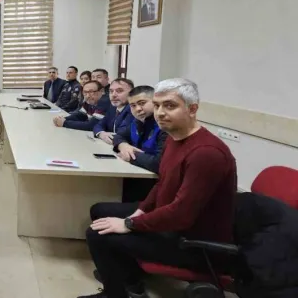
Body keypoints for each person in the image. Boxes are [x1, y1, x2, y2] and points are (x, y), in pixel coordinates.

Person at [79, 78, 238, 298]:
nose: (160, 113)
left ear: (192, 109)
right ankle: (129, 278)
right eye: (157, 105)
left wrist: (129, 223)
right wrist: (139, 212)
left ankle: (115, 293)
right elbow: (162, 183)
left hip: (191, 242)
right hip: (171, 222)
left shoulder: (206, 153)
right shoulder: (175, 137)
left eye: (170, 105)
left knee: (97, 234)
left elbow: (181, 215)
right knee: (100, 211)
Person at [113, 86, 167, 203]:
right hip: (138, 176)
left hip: (155, 187)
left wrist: (132, 156)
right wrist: (123, 145)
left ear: (155, 102)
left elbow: (158, 164)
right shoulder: (137, 122)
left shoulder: (164, 126)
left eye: (142, 103)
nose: (138, 109)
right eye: (133, 105)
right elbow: (119, 136)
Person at [93, 78, 135, 144]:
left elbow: (121, 134)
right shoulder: (113, 107)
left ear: (132, 94)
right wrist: (101, 133)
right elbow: (98, 125)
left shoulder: (132, 109)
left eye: (119, 91)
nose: (113, 95)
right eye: (111, 91)